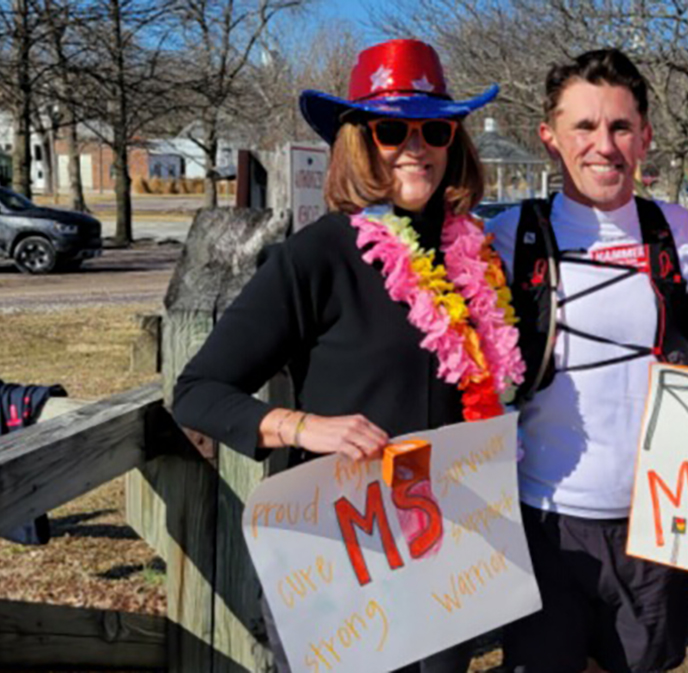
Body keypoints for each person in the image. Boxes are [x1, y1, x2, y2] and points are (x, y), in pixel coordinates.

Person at [172, 39, 523, 673]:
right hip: (340, 547)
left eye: (436, 129)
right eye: (392, 129)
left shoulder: (476, 257)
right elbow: (197, 389)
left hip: (447, 544)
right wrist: (306, 428)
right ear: (360, 140)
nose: (415, 146)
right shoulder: (318, 255)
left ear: (455, 142)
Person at [485, 49, 688, 673]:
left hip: (654, 523)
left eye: (619, 126)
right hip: (541, 519)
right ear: (550, 136)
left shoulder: (681, 232)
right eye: (583, 126)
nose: (603, 145)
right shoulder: (508, 237)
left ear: (645, 135)